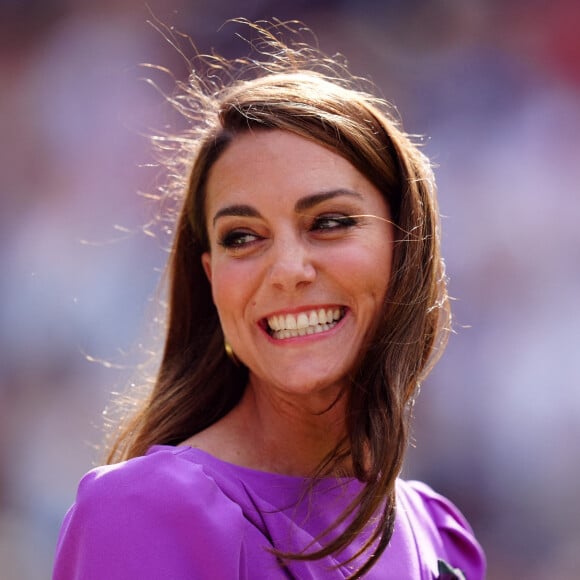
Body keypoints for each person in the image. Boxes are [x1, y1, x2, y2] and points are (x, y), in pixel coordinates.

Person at [53, 20, 486, 580]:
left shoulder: (440, 536)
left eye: (328, 222)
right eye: (242, 237)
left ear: (407, 248)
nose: (287, 271)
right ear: (211, 280)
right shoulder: (146, 510)